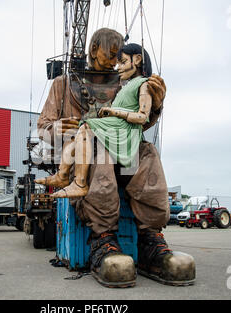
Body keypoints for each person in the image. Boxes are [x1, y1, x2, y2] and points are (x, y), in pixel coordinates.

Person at [37, 28, 195, 288]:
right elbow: (43, 126)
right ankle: (103, 239)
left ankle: (149, 239)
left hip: (123, 150)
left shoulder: (126, 84)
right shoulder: (63, 84)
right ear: (93, 48)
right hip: (84, 157)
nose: (114, 60)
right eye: (110, 54)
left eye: (119, 56)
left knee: (148, 153)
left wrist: (155, 105)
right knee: (100, 154)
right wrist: (56, 128)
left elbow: (138, 125)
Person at [36, 43, 154, 200]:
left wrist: (114, 112)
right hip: (116, 125)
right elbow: (44, 126)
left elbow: (143, 117)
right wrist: (54, 128)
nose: (116, 66)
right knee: (79, 130)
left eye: (122, 62)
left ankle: (79, 183)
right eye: (114, 58)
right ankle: (62, 175)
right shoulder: (127, 85)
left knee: (86, 127)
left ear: (138, 60)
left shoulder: (143, 84)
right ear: (94, 51)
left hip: (124, 129)